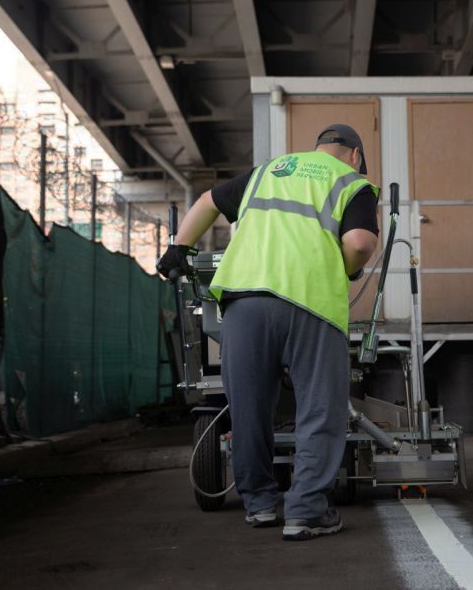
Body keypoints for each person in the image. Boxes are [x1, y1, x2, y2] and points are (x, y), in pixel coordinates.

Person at [157, 124, 379, 541]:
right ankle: (306, 512)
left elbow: (208, 200)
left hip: (244, 302)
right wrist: (347, 268)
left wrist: (179, 249)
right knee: (319, 409)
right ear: (354, 155)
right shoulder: (352, 181)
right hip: (310, 302)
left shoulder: (269, 171)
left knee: (249, 407)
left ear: (318, 147)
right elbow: (361, 243)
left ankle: (259, 505)